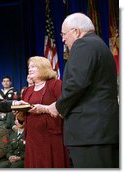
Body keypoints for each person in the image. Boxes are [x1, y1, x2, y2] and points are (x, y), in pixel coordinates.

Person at [46, 13, 119, 168]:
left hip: (89, 133)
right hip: (102, 131)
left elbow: (76, 83)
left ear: (77, 32)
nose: (63, 39)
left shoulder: (83, 45)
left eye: (64, 34)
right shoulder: (99, 45)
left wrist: (59, 106)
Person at [18, 56, 70, 168]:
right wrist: (20, 114)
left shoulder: (56, 84)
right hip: (32, 138)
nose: (30, 69)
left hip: (51, 137)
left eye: (33, 66)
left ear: (44, 68)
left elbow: (65, 108)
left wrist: (44, 109)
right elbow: (21, 120)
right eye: (29, 67)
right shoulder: (27, 91)